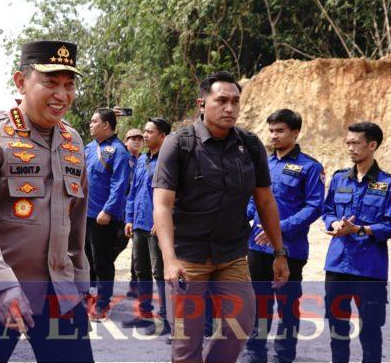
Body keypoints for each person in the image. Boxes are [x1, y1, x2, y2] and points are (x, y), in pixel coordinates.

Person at [0, 40, 93, 363]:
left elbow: (76, 219)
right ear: (20, 82)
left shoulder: (73, 141)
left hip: (59, 292)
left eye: (69, 85)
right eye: (51, 83)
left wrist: (81, 282)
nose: (62, 95)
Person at [152, 71, 290, 362]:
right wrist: (169, 260)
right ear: (202, 103)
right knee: (186, 343)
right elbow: (162, 204)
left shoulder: (250, 146)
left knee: (240, 323)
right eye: (222, 100)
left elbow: (265, 200)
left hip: (231, 255)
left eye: (235, 101)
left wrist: (279, 252)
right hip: (187, 257)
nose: (230, 108)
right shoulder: (179, 144)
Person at [242, 109, 325, 363]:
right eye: (271, 131)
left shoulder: (310, 167)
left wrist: (278, 229)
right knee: (259, 303)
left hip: (290, 249)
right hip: (257, 247)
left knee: (287, 306)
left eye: (280, 131)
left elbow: (314, 207)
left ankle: (284, 355)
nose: (274, 136)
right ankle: (256, 351)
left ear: (295, 133)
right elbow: (254, 199)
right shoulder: (264, 163)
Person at [322, 121, 389, 363]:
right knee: (337, 328)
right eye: (348, 142)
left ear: (372, 145)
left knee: (370, 330)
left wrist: (361, 229)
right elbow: (327, 210)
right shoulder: (340, 179)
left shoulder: (388, 184)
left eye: (356, 143)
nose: (350, 148)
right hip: (337, 265)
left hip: (369, 268)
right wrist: (334, 224)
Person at [123, 118, 172, 337]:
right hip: (139, 225)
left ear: (162, 136)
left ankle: (166, 320)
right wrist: (129, 218)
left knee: (159, 273)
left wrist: (161, 221)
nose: (144, 135)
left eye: (149, 132)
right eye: (144, 131)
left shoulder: (168, 161)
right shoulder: (142, 159)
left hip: (156, 227)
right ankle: (145, 314)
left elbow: (174, 196)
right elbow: (133, 191)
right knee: (141, 270)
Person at [85, 107, 131, 320]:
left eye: (94, 121)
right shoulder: (88, 148)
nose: (90, 124)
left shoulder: (119, 151)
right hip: (84, 215)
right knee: (84, 259)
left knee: (102, 261)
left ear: (105, 125)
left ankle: (103, 304)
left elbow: (119, 184)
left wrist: (108, 210)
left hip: (102, 217)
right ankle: (86, 297)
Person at [124, 127, 144, 298]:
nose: (137, 141)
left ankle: (134, 284)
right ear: (126, 141)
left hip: (135, 211)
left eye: (139, 138)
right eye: (133, 138)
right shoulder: (122, 158)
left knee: (136, 251)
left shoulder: (143, 160)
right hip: (120, 209)